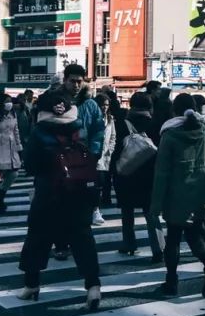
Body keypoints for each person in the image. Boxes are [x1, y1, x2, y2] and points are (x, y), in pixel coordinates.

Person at [15, 91, 102, 310]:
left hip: (49, 192)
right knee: (83, 238)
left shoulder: (39, 132)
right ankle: (93, 286)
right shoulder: (78, 129)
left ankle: (31, 285)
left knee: (37, 237)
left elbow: (30, 166)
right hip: (80, 192)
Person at [148, 103, 205, 298]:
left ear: (174, 112)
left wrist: (155, 204)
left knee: (173, 238)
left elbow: (161, 173)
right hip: (200, 193)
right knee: (194, 234)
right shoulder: (204, 131)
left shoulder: (170, 136)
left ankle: (172, 281)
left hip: (176, 196)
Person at [54, 64, 104, 260]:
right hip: (59, 162)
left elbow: (98, 131)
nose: (76, 85)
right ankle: (61, 244)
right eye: (72, 81)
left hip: (84, 162)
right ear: (65, 80)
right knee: (59, 205)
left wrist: (94, 154)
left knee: (82, 207)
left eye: (79, 81)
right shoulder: (55, 101)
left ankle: (79, 245)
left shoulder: (90, 105)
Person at [114, 91, 162, 261]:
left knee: (127, 211)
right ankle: (158, 248)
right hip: (150, 174)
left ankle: (129, 243)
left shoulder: (121, 123)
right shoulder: (154, 122)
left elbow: (116, 149)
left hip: (127, 172)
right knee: (151, 212)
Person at [0, 96, 22, 214]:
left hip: (11, 147)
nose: (9, 104)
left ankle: (0, 195)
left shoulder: (13, 115)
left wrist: (19, 146)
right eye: (6, 101)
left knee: (13, 173)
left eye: (10, 101)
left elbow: (16, 131)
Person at [92, 93, 116, 226]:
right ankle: (94, 209)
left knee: (100, 184)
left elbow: (113, 137)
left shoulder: (110, 119)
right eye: (102, 105)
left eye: (106, 105)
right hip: (92, 156)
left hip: (105, 157)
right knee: (94, 185)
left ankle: (96, 209)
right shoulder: (92, 117)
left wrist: (109, 151)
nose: (104, 107)